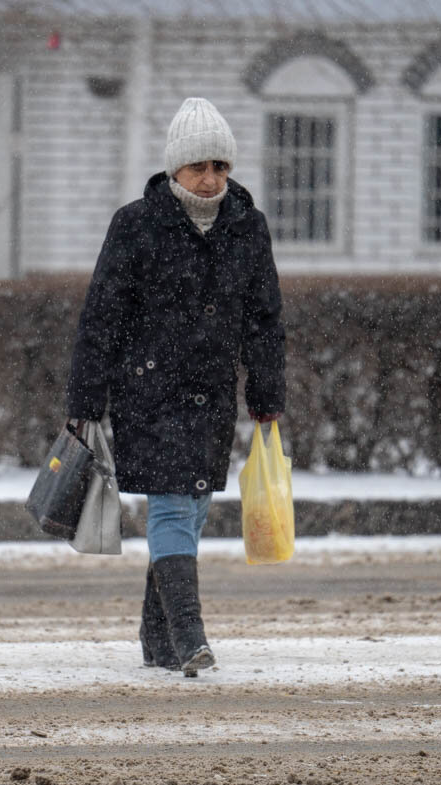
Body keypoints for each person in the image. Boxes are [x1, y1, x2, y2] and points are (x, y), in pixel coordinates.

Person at [66, 97, 286, 677]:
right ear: (174, 170)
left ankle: (154, 636)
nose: (211, 179)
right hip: (148, 394)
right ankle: (189, 635)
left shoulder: (248, 227)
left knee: (192, 508)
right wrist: (85, 403)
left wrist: (266, 398)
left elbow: (265, 319)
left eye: (220, 166)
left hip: (213, 396)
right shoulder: (135, 224)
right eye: (198, 167)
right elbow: (101, 318)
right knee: (169, 505)